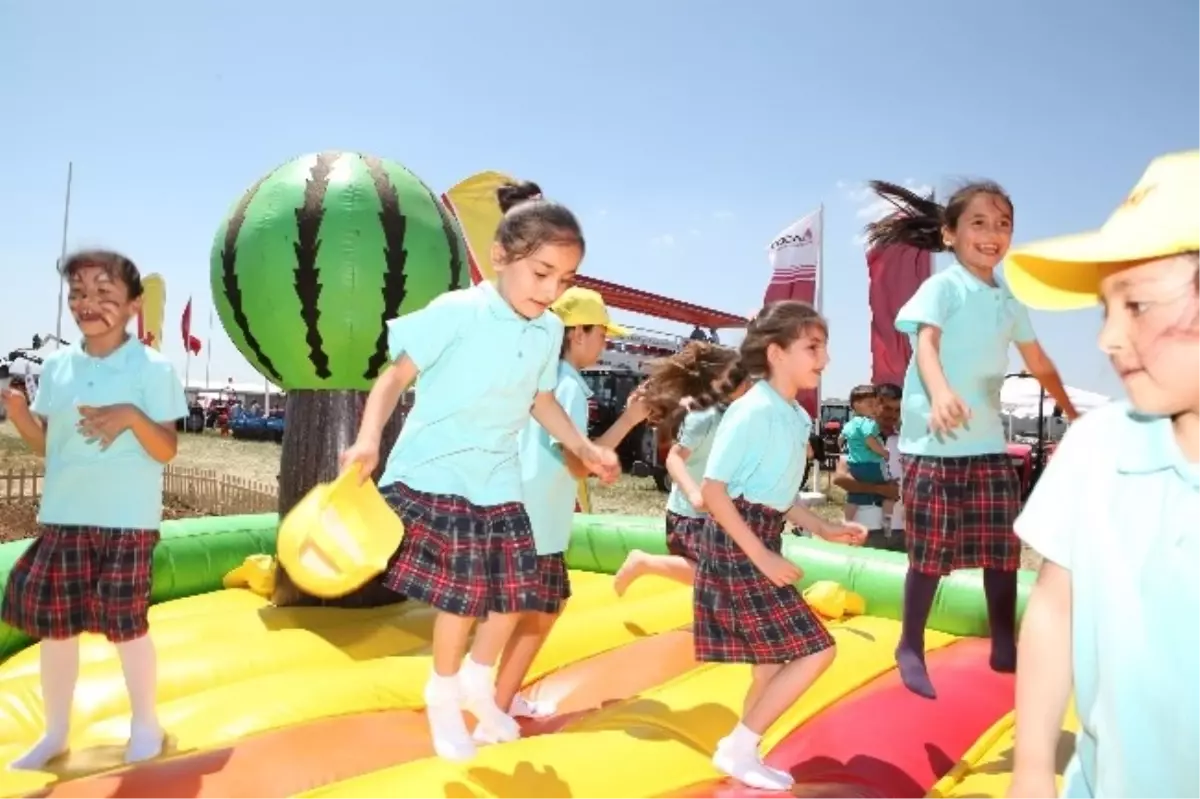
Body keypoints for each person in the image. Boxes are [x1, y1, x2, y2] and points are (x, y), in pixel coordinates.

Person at [338, 181, 621, 762]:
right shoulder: (458, 312)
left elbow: (541, 399)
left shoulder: (545, 331)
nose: (551, 291)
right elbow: (393, 378)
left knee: (519, 587)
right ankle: (443, 694)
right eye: (541, 273)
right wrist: (368, 439)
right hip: (437, 470)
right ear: (500, 257)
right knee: (465, 597)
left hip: (496, 475)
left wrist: (584, 446)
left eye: (563, 281)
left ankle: (476, 679)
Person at [1004, 150, 1200, 798]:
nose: (1107, 339)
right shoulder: (1096, 447)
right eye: (1104, 308)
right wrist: (1033, 768)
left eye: (1137, 305)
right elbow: (1056, 605)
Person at [864, 179, 1079, 700]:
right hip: (933, 442)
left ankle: (1004, 640)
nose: (993, 233)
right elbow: (927, 346)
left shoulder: (1008, 299)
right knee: (932, 551)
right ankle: (910, 644)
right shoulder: (945, 287)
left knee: (1001, 546)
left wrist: (1072, 411)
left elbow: (1037, 360)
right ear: (950, 235)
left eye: (1003, 223)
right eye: (978, 223)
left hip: (983, 439)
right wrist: (938, 394)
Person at [0, 250, 188, 769]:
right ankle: (56, 731)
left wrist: (128, 415)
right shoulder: (57, 367)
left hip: (126, 521)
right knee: (56, 627)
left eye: (104, 293)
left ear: (131, 306)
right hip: (64, 515)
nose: (88, 303)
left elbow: (167, 449)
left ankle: (145, 722)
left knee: (126, 625)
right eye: (78, 293)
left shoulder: (152, 368)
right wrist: (18, 413)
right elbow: (46, 446)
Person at [696, 301, 867, 791]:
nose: (825, 358)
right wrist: (763, 555)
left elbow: (779, 496)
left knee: (769, 662)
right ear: (776, 353)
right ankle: (739, 745)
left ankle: (745, 749)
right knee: (817, 651)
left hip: (757, 531)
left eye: (824, 347)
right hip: (739, 541)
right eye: (812, 347)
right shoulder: (752, 411)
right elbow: (714, 492)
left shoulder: (790, 414)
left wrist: (823, 528)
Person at [489, 286, 649, 726]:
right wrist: (628, 424)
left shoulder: (540, 376)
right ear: (577, 333)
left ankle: (501, 695)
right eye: (602, 334)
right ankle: (497, 706)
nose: (606, 343)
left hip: (519, 509)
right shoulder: (568, 387)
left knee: (527, 610)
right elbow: (579, 464)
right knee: (542, 610)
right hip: (537, 520)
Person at [611, 341, 749, 595]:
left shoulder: (735, 415)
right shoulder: (703, 416)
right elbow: (674, 459)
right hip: (689, 513)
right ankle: (644, 562)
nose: (749, 385)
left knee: (723, 576)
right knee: (713, 576)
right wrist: (694, 493)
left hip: (715, 513)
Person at [833, 382, 904, 549]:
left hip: (903, 530)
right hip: (868, 529)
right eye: (887, 408)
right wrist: (880, 489)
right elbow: (840, 478)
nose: (892, 415)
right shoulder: (855, 438)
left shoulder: (907, 441)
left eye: (897, 410)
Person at [838, 384, 893, 525]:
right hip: (872, 464)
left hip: (855, 466)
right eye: (870, 404)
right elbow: (870, 441)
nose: (874, 408)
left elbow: (840, 439)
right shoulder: (868, 423)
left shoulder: (849, 424)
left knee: (854, 497)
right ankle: (887, 518)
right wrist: (883, 452)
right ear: (856, 405)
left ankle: (847, 521)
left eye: (876, 404)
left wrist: (844, 450)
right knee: (888, 491)